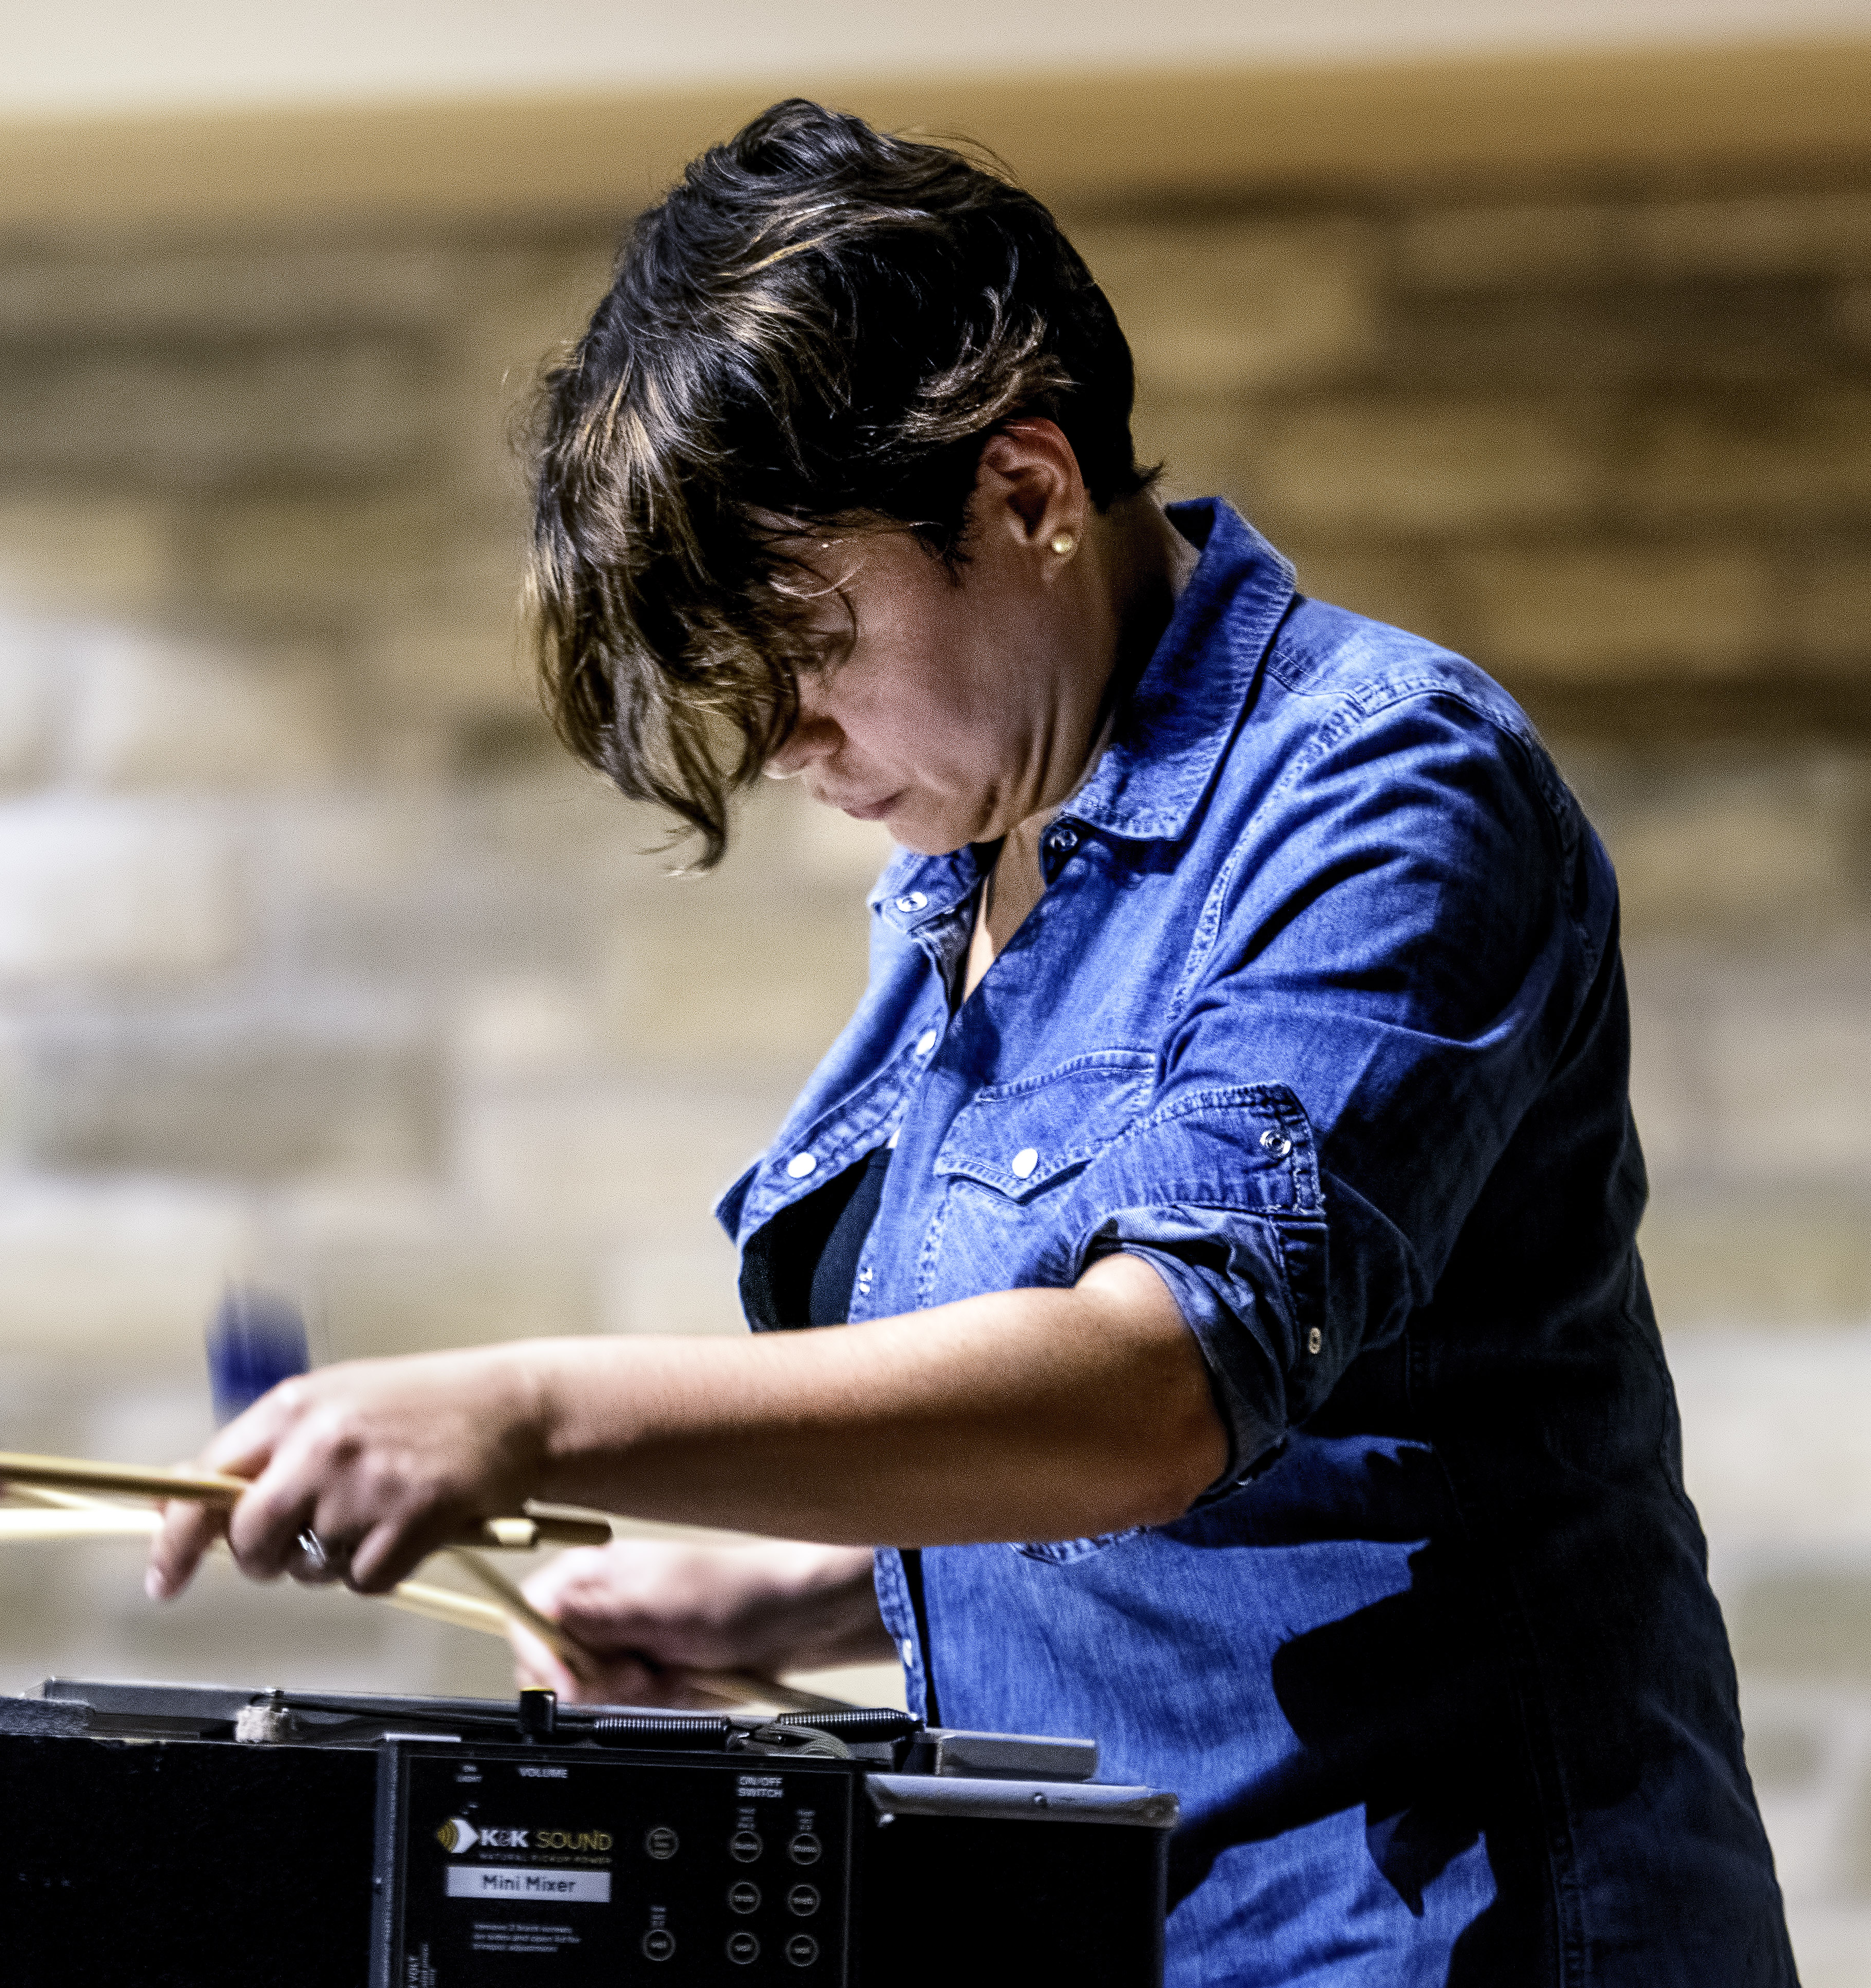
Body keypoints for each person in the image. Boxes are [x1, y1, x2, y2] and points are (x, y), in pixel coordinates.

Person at [150, 100, 1795, 1979]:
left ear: (1023, 493)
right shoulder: (966, 865)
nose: (777, 741)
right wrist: (781, 1593)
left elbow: (1150, 1387)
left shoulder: (1383, 781)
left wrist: (522, 1407)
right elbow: (1229, 1511)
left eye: (801, 646)